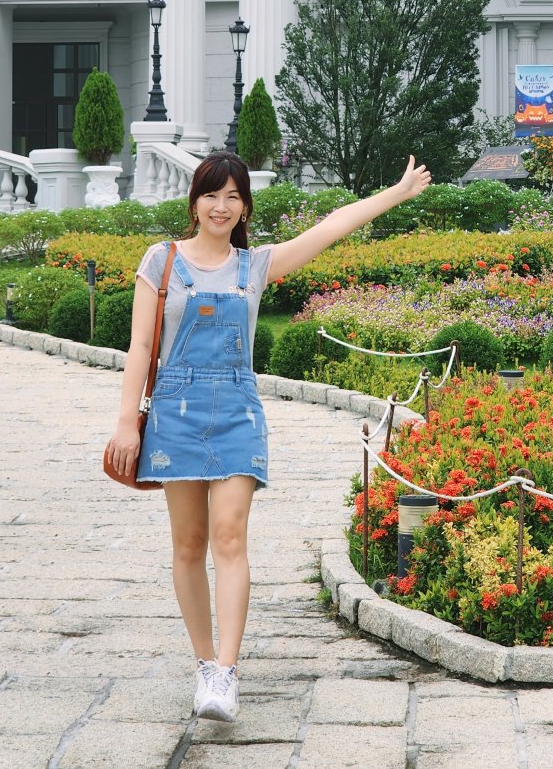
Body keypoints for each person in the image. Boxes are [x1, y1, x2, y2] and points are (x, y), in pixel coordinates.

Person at [104, 151, 431, 722]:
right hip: (175, 415)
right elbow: (140, 348)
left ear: (245, 206)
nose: (221, 206)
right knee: (188, 545)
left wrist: (396, 193)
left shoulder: (252, 267)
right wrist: (126, 420)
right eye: (211, 194)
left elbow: (331, 226)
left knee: (229, 536)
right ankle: (203, 662)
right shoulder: (161, 261)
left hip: (236, 412)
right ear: (194, 202)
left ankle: (225, 674)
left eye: (232, 196)